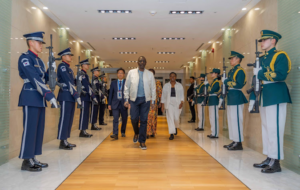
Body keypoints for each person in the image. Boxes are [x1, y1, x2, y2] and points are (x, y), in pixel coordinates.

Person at [249, 30, 292, 173]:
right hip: (265, 94)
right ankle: (269, 157)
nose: (261, 43)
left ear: (273, 41)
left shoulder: (280, 55)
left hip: (276, 93)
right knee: (266, 128)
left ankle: (276, 161)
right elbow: (256, 81)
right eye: (261, 40)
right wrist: (253, 98)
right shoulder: (262, 58)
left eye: (264, 40)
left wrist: (260, 73)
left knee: (275, 129)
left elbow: (280, 75)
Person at [18, 31, 59, 171]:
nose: (41, 45)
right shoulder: (25, 58)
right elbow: (34, 79)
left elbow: (44, 78)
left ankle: (33, 157)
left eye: (41, 42)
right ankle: (26, 160)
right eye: (39, 42)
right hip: (30, 97)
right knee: (30, 130)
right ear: (30, 42)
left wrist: (51, 69)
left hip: (39, 99)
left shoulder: (39, 60)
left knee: (38, 130)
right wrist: (49, 95)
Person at [124, 56, 156, 150]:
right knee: (133, 118)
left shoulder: (149, 74)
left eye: (143, 61)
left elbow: (153, 88)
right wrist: (126, 99)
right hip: (134, 100)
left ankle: (142, 141)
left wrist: (153, 101)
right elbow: (127, 86)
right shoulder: (131, 72)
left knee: (144, 120)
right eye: (140, 61)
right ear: (137, 62)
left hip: (145, 100)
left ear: (145, 63)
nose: (142, 62)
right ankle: (136, 133)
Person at [220, 51, 248, 150]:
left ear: (238, 59)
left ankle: (239, 142)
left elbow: (239, 84)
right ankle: (234, 140)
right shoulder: (231, 71)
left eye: (232, 58)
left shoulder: (240, 71)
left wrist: (226, 81)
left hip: (236, 96)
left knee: (236, 120)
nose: (231, 60)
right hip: (231, 97)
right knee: (231, 120)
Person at [56, 47, 82, 150]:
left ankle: (65, 139)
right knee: (64, 118)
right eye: (68, 55)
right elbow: (67, 81)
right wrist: (76, 95)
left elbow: (72, 82)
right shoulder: (62, 66)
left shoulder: (69, 68)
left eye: (70, 55)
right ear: (63, 57)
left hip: (70, 96)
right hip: (65, 95)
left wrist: (77, 79)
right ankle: (62, 141)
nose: (70, 57)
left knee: (69, 119)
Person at [161, 72, 184, 140]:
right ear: (169, 77)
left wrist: (182, 103)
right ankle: (171, 133)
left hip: (177, 103)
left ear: (176, 77)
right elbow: (163, 96)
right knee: (170, 118)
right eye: (171, 76)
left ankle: (175, 127)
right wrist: (162, 105)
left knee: (176, 118)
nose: (172, 77)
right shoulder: (166, 85)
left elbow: (182, 95)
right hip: (169, 103)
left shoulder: (179, 85)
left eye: (174, 76)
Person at [78, 59, 98, 138]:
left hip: (87, 97)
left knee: (86, 114)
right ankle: (82, 131)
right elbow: (86, 86)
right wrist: (93, 96)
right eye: (86, 64)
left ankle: (84, 130)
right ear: (82, 65)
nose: (88, 66)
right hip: (84, 96)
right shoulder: (82, 74)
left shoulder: (85, 74)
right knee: (83, 114)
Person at [108, 68, 128, 140]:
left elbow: (128, 93)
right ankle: (115, 133)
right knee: (115, 118)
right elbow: (110, 94)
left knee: (124, 119)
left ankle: (123, 131)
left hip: (124, 103)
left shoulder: (126, 82)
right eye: (119, 73)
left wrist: (128, 102)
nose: (120, 74)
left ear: (124, 74)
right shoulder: (113, 83)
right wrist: (109, 104)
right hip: (115, 103)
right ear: (117, 74)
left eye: (121, 73)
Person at [146, 69, 162, 138]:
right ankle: (147, 132)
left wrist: (160, 102)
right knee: (146, 117)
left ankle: (152, 132)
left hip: (154, 103)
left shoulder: (157, 82)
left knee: (153, 117)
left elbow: (160, 92)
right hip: (146, 102)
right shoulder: (145, 81)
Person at [206, 68, 220, 138]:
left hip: (214, 100)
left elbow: (211, 91)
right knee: (211, 118)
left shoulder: (216, 82)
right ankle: (213, 132)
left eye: (213, 73)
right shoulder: (214, 81)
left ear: (216, 74)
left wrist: (207, 85)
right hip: (211, 100)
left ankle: (215, 134)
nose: (211, 74)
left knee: (214, 118)